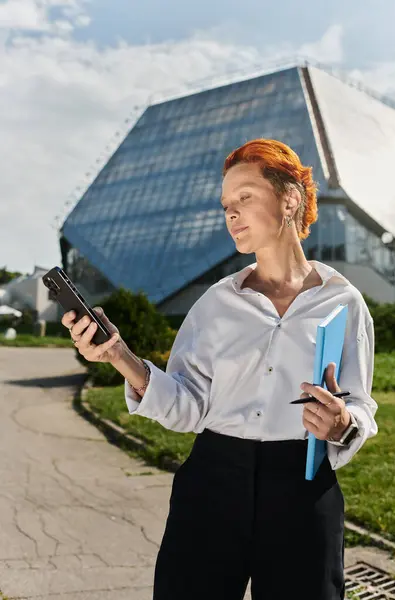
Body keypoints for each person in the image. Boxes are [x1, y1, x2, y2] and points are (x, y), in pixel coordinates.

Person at [62, 139, 378, 600]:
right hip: (212, 483)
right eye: (226, 205)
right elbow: (189, 406)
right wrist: (117, 356)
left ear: (290, 198)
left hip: (302, 490)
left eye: (244, 198)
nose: (231, 215)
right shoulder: (216, 303)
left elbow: (362, 404)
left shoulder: (344, 302)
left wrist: (343, 423)